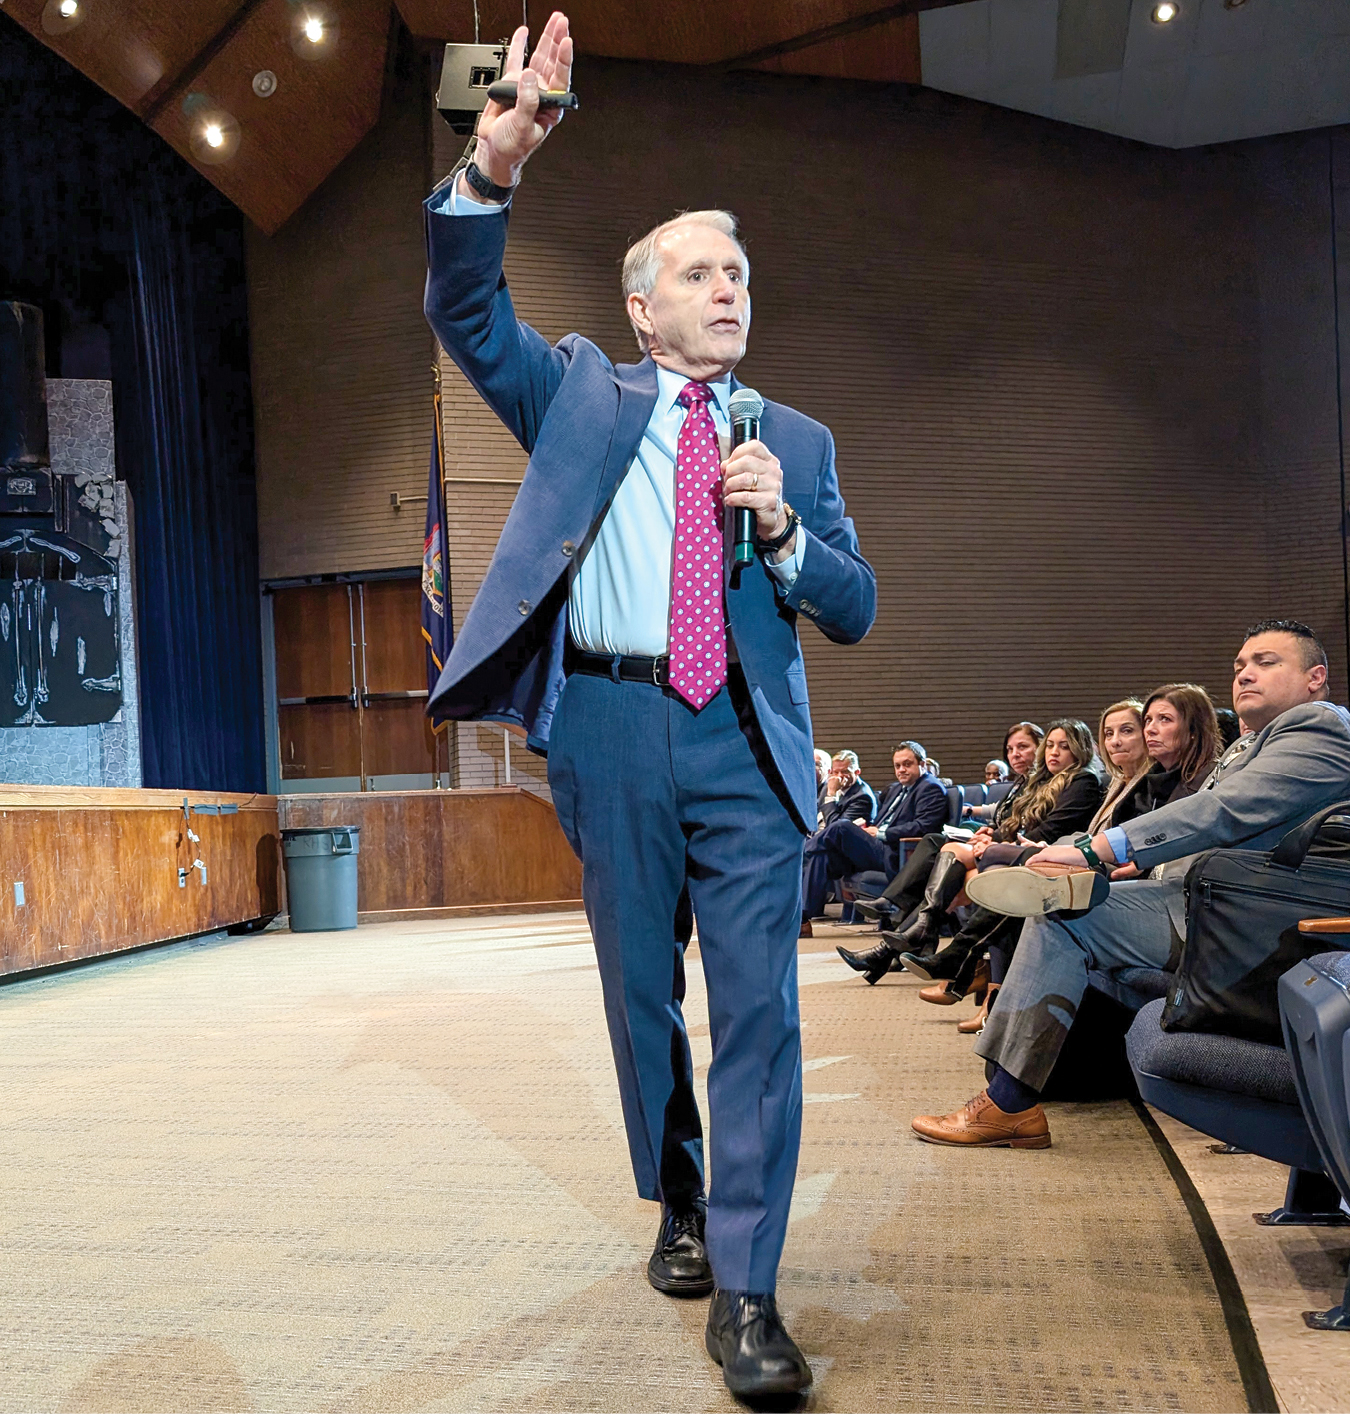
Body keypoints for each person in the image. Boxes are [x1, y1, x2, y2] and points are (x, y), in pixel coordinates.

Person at [422, 15, 875, 1397]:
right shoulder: (576, 392)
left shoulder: (793, 439)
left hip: (742, 738)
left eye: (736, 272)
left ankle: (746, 1287)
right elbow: (461, 311)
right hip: (611, 731)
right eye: (697, 271)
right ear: (642, 306)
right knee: (637, 999)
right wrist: (492, 165)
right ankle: (676, 1190)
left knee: (758, 1013)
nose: (726, 288)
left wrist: (790, 537)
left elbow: (852, 603)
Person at [914, 620, 1350, 1150]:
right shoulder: (1256, 742)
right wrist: (1108, 860)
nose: (1244, 674)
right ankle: (1010, 1086)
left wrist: (1100, 850)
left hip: (1258, 924)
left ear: (1315, 677)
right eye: (1239, 666)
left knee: (1065, 915)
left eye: (1266, 662)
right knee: (1058, 899)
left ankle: (1006, 1103)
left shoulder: (1320, 728)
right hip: (1210, 903)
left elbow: (1226, 811)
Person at [837, 720, 1105, 984]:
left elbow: (1047, 830)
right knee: (941, 864)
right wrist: (991, 834)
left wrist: (995, 840)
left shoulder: (1081, 781)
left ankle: (911, 937)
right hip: (1019, 850)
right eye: (1051, 746)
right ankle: (903, 946)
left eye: (1063, 746)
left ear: (1079, 749)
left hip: (1040, 856)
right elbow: (1012, 821)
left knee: (946, 856)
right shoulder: (1040, 782)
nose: (1053, 752)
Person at [800, 741, 947, 935]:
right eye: (897, 766)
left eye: (907, 764)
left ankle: (802, 852)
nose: (901, 770)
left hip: (894, 851)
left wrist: (880, 833)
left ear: (921, 764)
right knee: (821, 855)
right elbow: (880, 820)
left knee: (841, 828)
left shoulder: (930, 787)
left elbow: (924, 826)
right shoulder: (895, 789)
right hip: (877, 845)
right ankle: (803, 919)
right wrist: (869, 829)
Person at [816, 750, 878, 830]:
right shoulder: (829, 784)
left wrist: (831, 795)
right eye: (836, 772)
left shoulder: (863, 797)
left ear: (857, 772)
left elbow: (836, 829)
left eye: (845, 772)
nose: (839, 776)